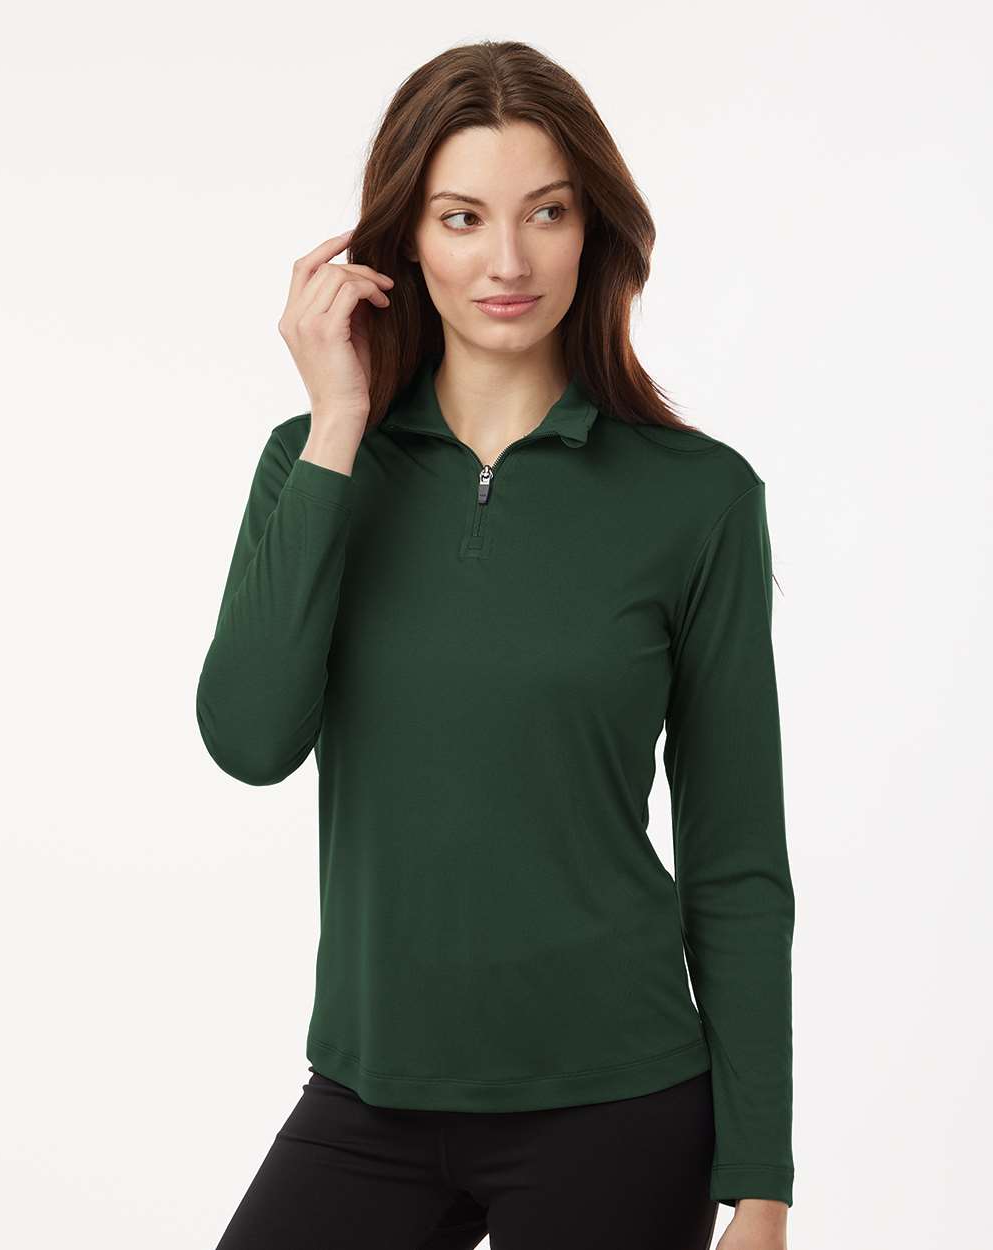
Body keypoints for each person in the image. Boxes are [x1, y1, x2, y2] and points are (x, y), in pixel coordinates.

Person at [196, 38, 795, 1250]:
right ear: (405, 240)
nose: (508, 261)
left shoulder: (696, 496)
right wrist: (337, 422)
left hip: (620, 1101)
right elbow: (252, 740)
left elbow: (735, 858)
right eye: (462, 216)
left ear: (593, 232)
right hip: (367, 1092)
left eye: (547, 212)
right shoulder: (313, 464)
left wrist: (761, 1182)